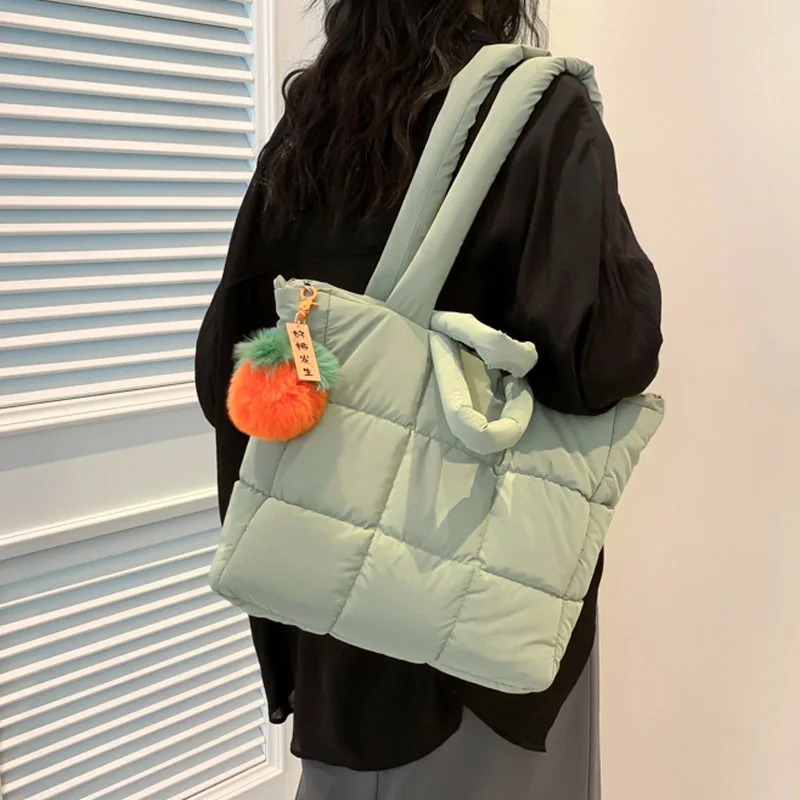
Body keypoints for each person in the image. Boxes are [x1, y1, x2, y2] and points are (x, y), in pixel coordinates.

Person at [195, 1, 662, 798]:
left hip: (333, 618)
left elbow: (224, 376)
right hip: (485, 629)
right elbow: (603, 363)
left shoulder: (312, 125)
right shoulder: (537, 111)